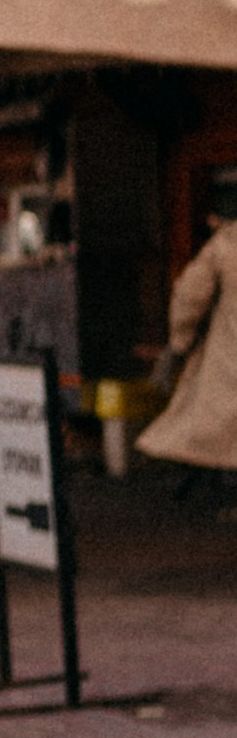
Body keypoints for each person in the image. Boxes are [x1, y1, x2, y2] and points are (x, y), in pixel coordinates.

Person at [139, 174, 237, 503]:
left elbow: (189, 297)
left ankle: (213, 487)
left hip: (229, 351)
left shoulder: (225, 244)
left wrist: (180, 342)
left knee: (215, 424)